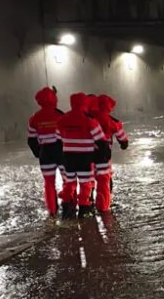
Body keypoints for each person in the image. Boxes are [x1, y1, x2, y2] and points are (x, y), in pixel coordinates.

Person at [56, 93, 109, 218]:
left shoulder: (62, 120)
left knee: (69, 182)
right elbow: (101, 140)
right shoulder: (90, 121)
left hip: (68, 157)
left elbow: (58, 138)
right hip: (85, 157)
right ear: (85, 103)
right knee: (85, 182)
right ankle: (84, 208)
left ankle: (67, 205)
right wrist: (102, 156)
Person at [27, 86, 63, 217]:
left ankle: (52, 210)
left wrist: (39, 152)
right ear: (54, 99)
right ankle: (69, 206)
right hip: (61, 151)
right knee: (68, 180)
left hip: (45, 153)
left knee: (48, 182)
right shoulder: (60, 115)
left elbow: (31, 139)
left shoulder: (34, 118)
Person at [93, 94, 128, 212]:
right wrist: (124, 143)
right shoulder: (111, 121)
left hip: (87, 153)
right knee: (105, 181)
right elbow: (123, 139)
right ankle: (103, 206)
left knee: (88, 181)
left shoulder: (90, 117)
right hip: (103, 155)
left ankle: (87, 204)